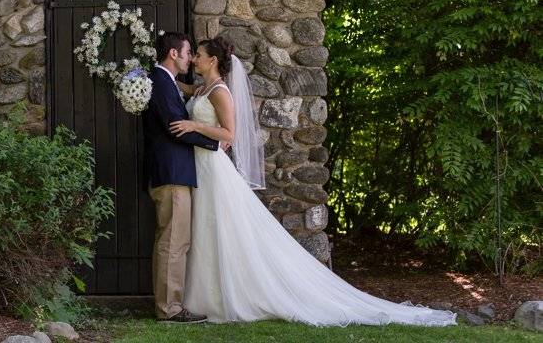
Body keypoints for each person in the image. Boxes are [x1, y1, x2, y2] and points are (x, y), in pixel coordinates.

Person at [166, 36, 458, 326]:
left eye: (198, 55)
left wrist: (195, 125)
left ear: (212, 60)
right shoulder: (203, 87)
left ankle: (225, 296)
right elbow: (182, 86)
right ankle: (203, 296)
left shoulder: (220, 92)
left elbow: (229, 134)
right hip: (199, 165)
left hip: (213, 167)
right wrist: (156, 73)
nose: (193, 59)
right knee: (206, 229)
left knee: (219, 229)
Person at [141, 32, 219, 323]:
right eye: (187, 53)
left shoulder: (167, 81)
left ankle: (170, 305)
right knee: (173, 242)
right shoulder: (160, 82)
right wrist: (216, 143)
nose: (190, 58)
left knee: (175, 240)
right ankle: (169, 309)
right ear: (173, 54)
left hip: (173, 171)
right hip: (171, 172)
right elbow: (176, 126)